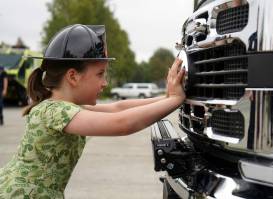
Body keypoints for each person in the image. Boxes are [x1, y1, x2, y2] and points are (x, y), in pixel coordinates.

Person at [0, 24, 185, 198]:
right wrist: (176, 100)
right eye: (100, 74)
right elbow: (121, 124)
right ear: (73, 76)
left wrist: (167, 98)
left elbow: (118, 108)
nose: (105, 83)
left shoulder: (61, 107)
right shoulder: (56, 111)